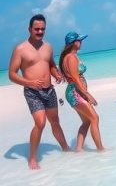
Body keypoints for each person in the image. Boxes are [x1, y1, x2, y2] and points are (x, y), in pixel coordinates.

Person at [7, 14, 70, 169]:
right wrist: (29, 82)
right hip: (32, 92)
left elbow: (51, 65)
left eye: (42, 29)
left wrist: (56, 74)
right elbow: (12, 74)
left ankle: (65, 148)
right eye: (37, 29)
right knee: (40, 123)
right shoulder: (20, 49)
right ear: (30, 29)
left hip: (49, 90)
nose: (40, 31)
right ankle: (33, 158)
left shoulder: (48, 47)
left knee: (55, 122)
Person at [60, 31, 105, 152]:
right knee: (95, 118)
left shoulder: (70, 56)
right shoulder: (71, 57)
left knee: (86, 121)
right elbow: (75, 78)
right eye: (79, 40)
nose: (81, 42)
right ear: (74, 43)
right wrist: (87, 94)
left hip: (75, 92)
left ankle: (78, 150)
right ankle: (101, 149)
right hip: (76, 93)